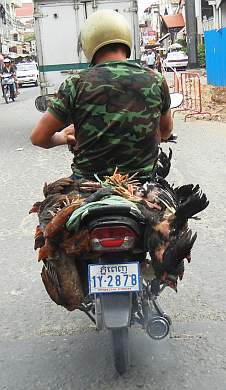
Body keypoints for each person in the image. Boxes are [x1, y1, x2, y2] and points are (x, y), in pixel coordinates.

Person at [30, 9, 173, 310]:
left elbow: (39, 138)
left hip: (87, 185)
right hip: (142, 186)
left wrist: (65, 137)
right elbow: (166, 130)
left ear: (91, 45)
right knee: (173, 221)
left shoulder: (76, 83)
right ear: (126, 40)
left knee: (49, 228)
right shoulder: (155, 80)